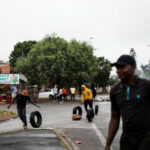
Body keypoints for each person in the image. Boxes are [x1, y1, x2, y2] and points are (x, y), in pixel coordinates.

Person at [104, 55, 150, 150]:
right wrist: (108, 144)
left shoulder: (146, 86)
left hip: (146, 138)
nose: (118, 70)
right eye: (117, 68)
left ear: (133, 67)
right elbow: (115, 118)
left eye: (122, 67)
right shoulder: (115, 91)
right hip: (127, 139)